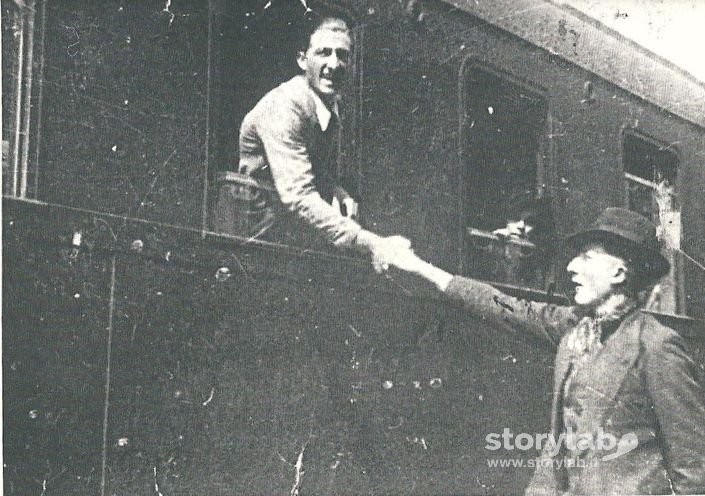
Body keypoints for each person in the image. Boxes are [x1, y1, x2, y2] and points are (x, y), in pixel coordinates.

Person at [389, 207, 705, 495]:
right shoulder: (572, 326)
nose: (571, 267)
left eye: (586, 258)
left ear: (619, 274)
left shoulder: (657, 346)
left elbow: (692, 468)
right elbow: (504, 307)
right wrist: (420, 268)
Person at [231, 6, 407, 272]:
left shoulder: (329, 105)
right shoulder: (285, 106)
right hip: (253, 241)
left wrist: (336, 189)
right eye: (323, 53)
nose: (334, 65)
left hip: (284, 234)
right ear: (303, 60)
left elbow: (310, 163)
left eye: (342, 55)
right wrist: (370, 243)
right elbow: (298, 196)